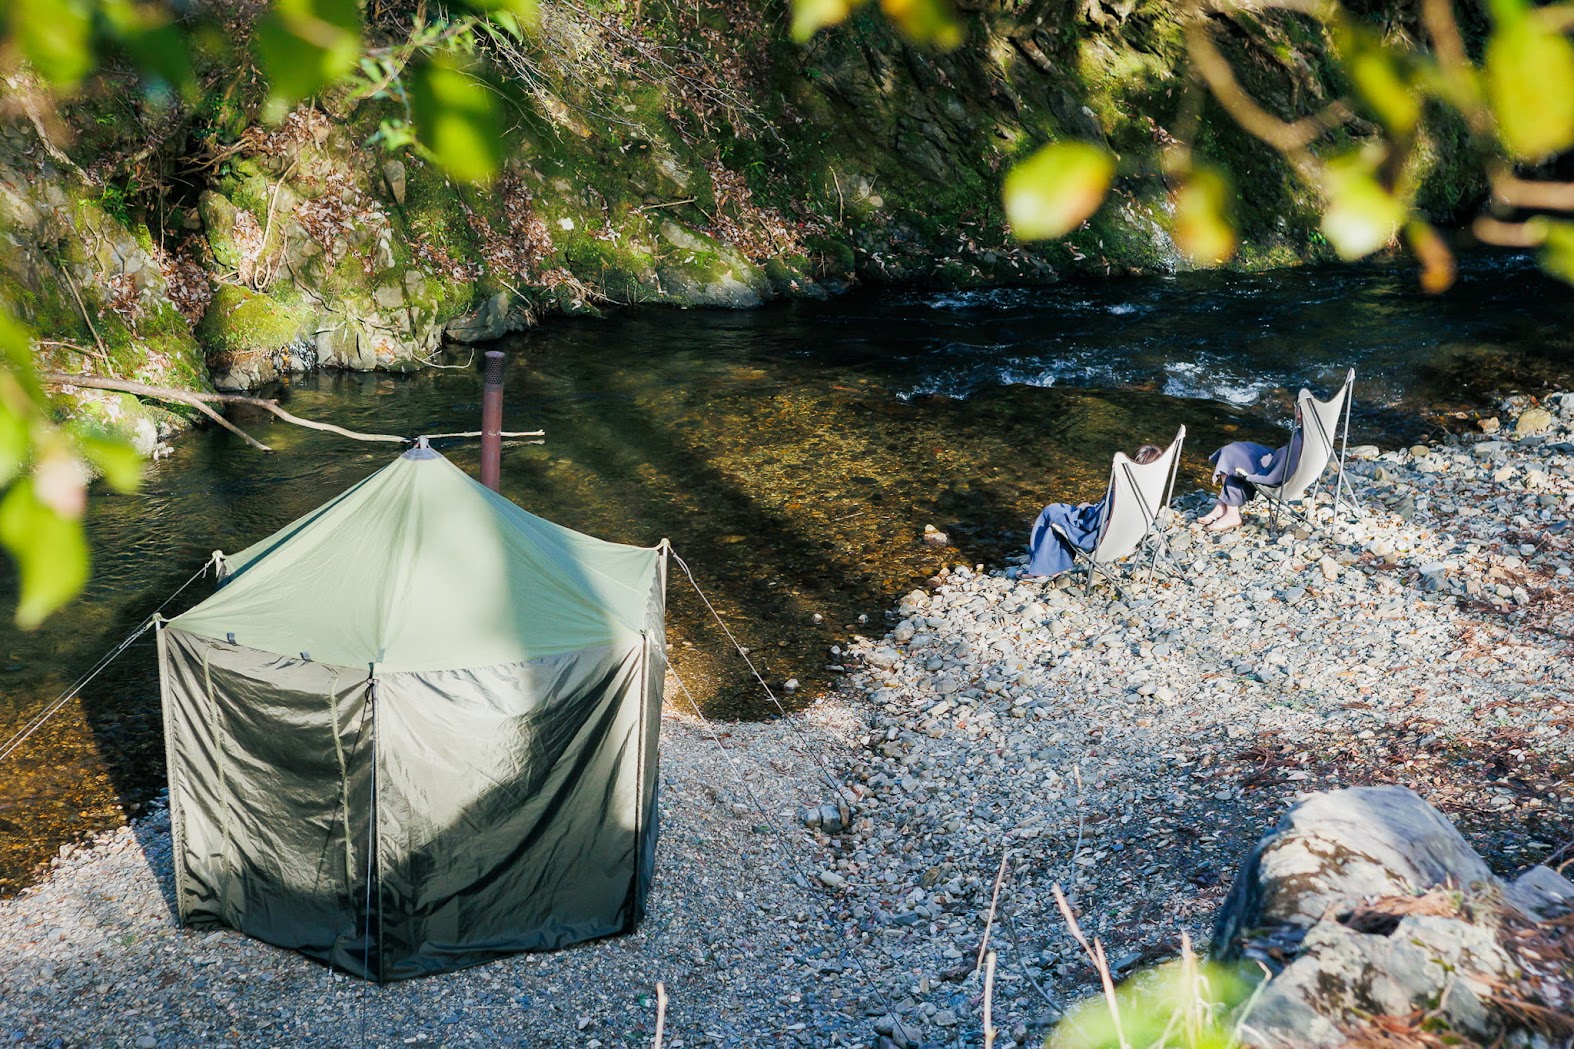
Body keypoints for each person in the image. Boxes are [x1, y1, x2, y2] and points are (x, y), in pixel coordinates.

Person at [1023, 444, 1164, 579]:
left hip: (1095, 539)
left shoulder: (1121, 492)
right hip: (1124, 537)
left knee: (1051, 511)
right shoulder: (1151, 490)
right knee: (1062, 512)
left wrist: (1085, 509)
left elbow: (1091, 523)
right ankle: (1053, 564)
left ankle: (1043, 570)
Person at [1199, 404, 1304, 531]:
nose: (1297, 412)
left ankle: (1232, 514)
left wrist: (1253, 475)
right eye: (1296, 406)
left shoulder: (1301, 439)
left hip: (1275, 474)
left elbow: (1278, 473)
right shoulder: (1313, 433)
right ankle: (1222, 506)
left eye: (1302, 409)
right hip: (1279, 463)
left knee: (1230, 455)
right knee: (1237, 449)